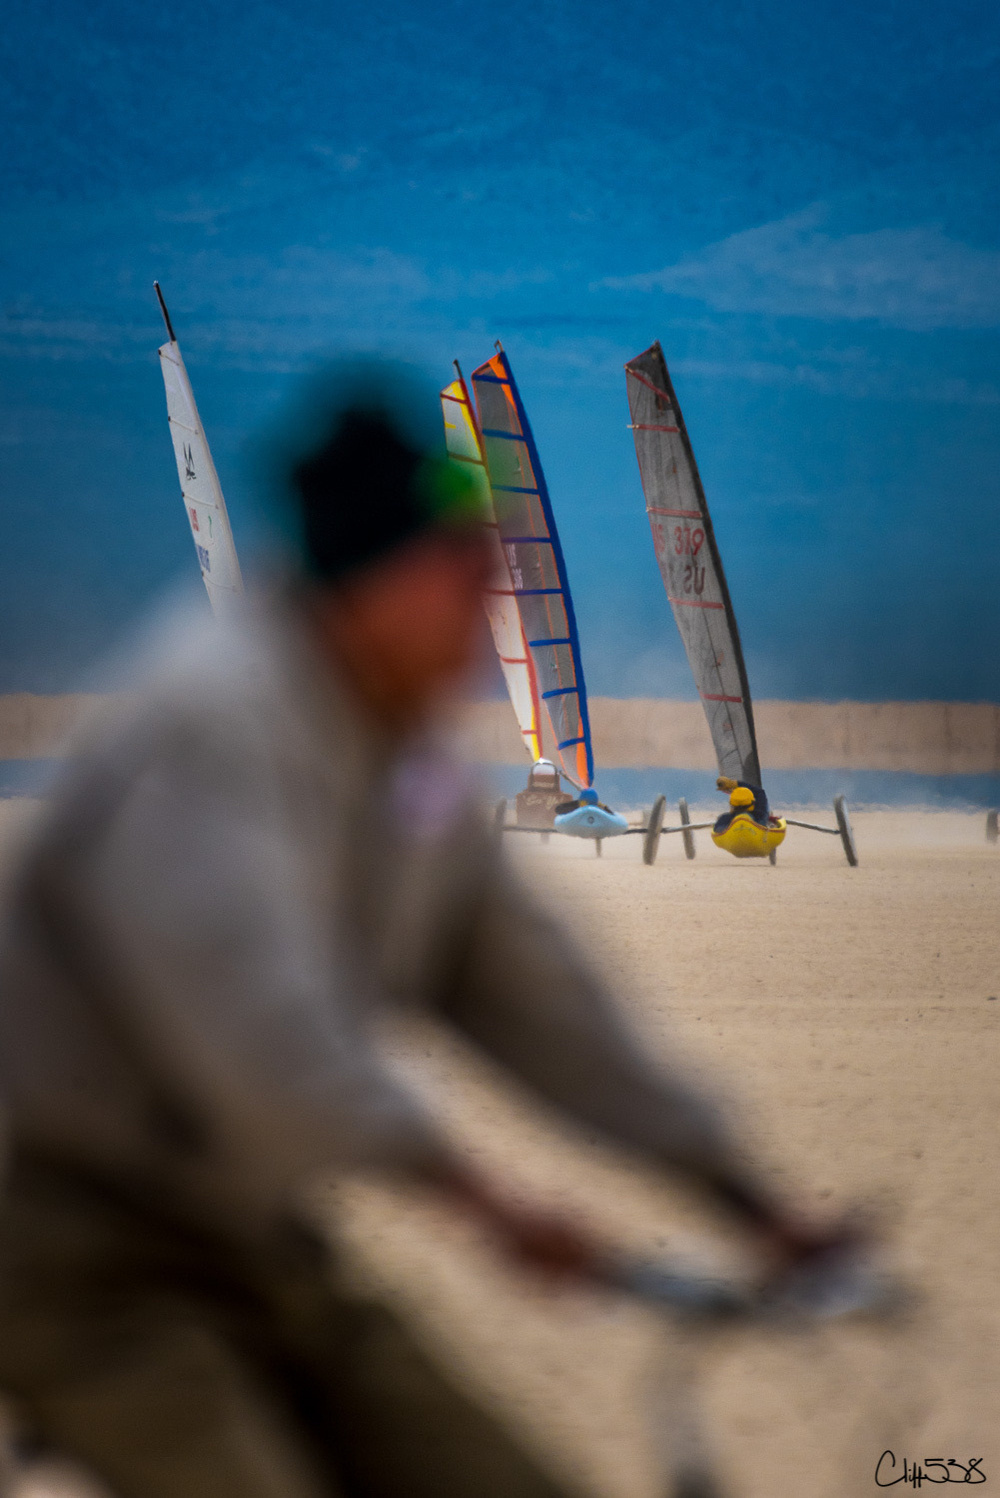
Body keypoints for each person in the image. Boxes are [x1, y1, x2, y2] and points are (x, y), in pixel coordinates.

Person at [0, 364, 843, 1498]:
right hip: (69, 1249)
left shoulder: (410, 760)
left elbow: (532, 992)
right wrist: (484, 1201)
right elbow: (270, 1048)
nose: (488, 608)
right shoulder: (210, 722)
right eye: (465, 575)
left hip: (257, 1232)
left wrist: (742, 1196)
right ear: (375, 575)